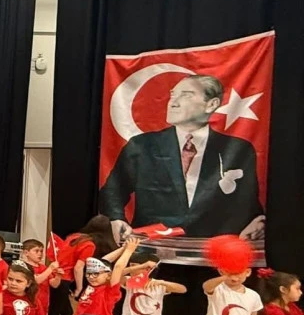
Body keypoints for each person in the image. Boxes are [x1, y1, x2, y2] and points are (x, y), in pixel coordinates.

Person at [100, 74, 265, 241]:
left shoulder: (237, 149)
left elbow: (248, 202)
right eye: (172, 95)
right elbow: (113, 191)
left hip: (213, 248)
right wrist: (116, 218)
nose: (173, 102)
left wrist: (258, 221)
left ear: (211, 104)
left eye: (186, 95)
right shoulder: (142, 145)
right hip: (153, 246)